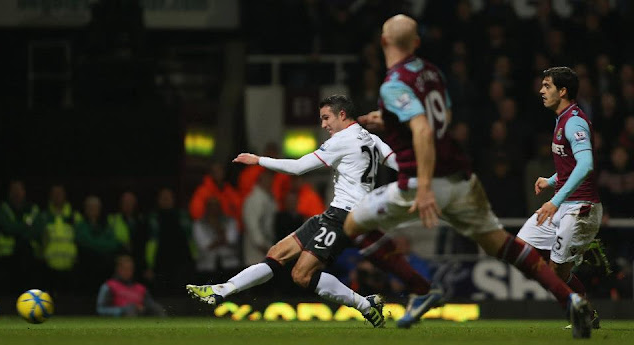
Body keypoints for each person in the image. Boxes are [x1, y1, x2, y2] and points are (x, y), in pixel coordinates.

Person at [343, 15, 593, 338]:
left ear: (383, 42)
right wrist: (392, 121)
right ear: (416, 43)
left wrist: (425, 188)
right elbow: (441, 118)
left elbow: (421, 129)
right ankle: (570, 298)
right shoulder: (432, 73)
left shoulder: (392, 84)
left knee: (353, 225)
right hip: (462, 181)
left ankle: (421, 289)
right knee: (502, 244)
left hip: (422, 183)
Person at [187, 95, 429, 328]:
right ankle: (221, 290)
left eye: (326, 118)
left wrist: (259, 160)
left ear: (342, 114)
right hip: (336, 214)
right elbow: (400, 163)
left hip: (344, 217)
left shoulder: (341, 140)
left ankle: (365, 305)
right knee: (277, 252)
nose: (323, 125)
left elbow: (298, 167)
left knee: (301, 275)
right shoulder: (372, 139)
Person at [516, 67, 602, 329]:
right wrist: (551, 180)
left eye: (547, 86)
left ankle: (585, 312)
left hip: (580, 208)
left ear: (562, 91)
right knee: (521, 248)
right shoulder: (562, 118)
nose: (541, 91)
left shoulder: (574, 121)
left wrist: (555, 199)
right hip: (565, 203)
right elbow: (572, 163)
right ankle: (572, 262)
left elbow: (586, 164)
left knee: (556, 274)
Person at [97, 255, 166, 317]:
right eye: (124, 269)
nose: (127, 272)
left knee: (157, 309)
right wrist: (123, 310)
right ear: (118, 269)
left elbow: (151, 305)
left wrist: (143, 309)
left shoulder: (140, 288)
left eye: (130, 269)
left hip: (140, 318)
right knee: (130, 309)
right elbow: (101, 309)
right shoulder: (109, 286)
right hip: (119, 320)